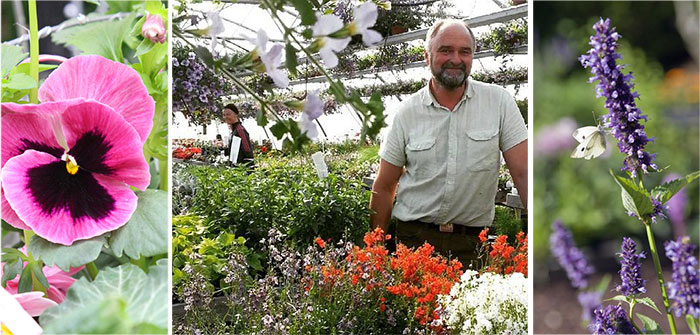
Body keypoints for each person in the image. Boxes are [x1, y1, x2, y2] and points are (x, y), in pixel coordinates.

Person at [369, 19, 528, 266]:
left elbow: (524, 173)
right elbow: (386, 184)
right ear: (427, 56)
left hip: (472, 244)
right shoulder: (406, 113)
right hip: (414, 242)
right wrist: (375, 251)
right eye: (445, 50)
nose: (456, 58)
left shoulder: (498, 103)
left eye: (465, 51)